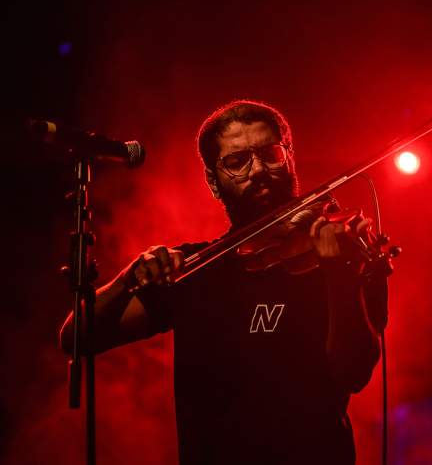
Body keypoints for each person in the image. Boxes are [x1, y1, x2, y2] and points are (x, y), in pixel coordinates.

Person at [60, 99, 385, 465]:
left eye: (270, 154)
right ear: (213, 182)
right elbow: (76, 337)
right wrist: (127, 279)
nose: (258, 169)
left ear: (289, 159)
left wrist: (340, 275)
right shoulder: (194, 270)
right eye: (237, 161)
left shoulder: (344, 256)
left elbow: (354, 373)